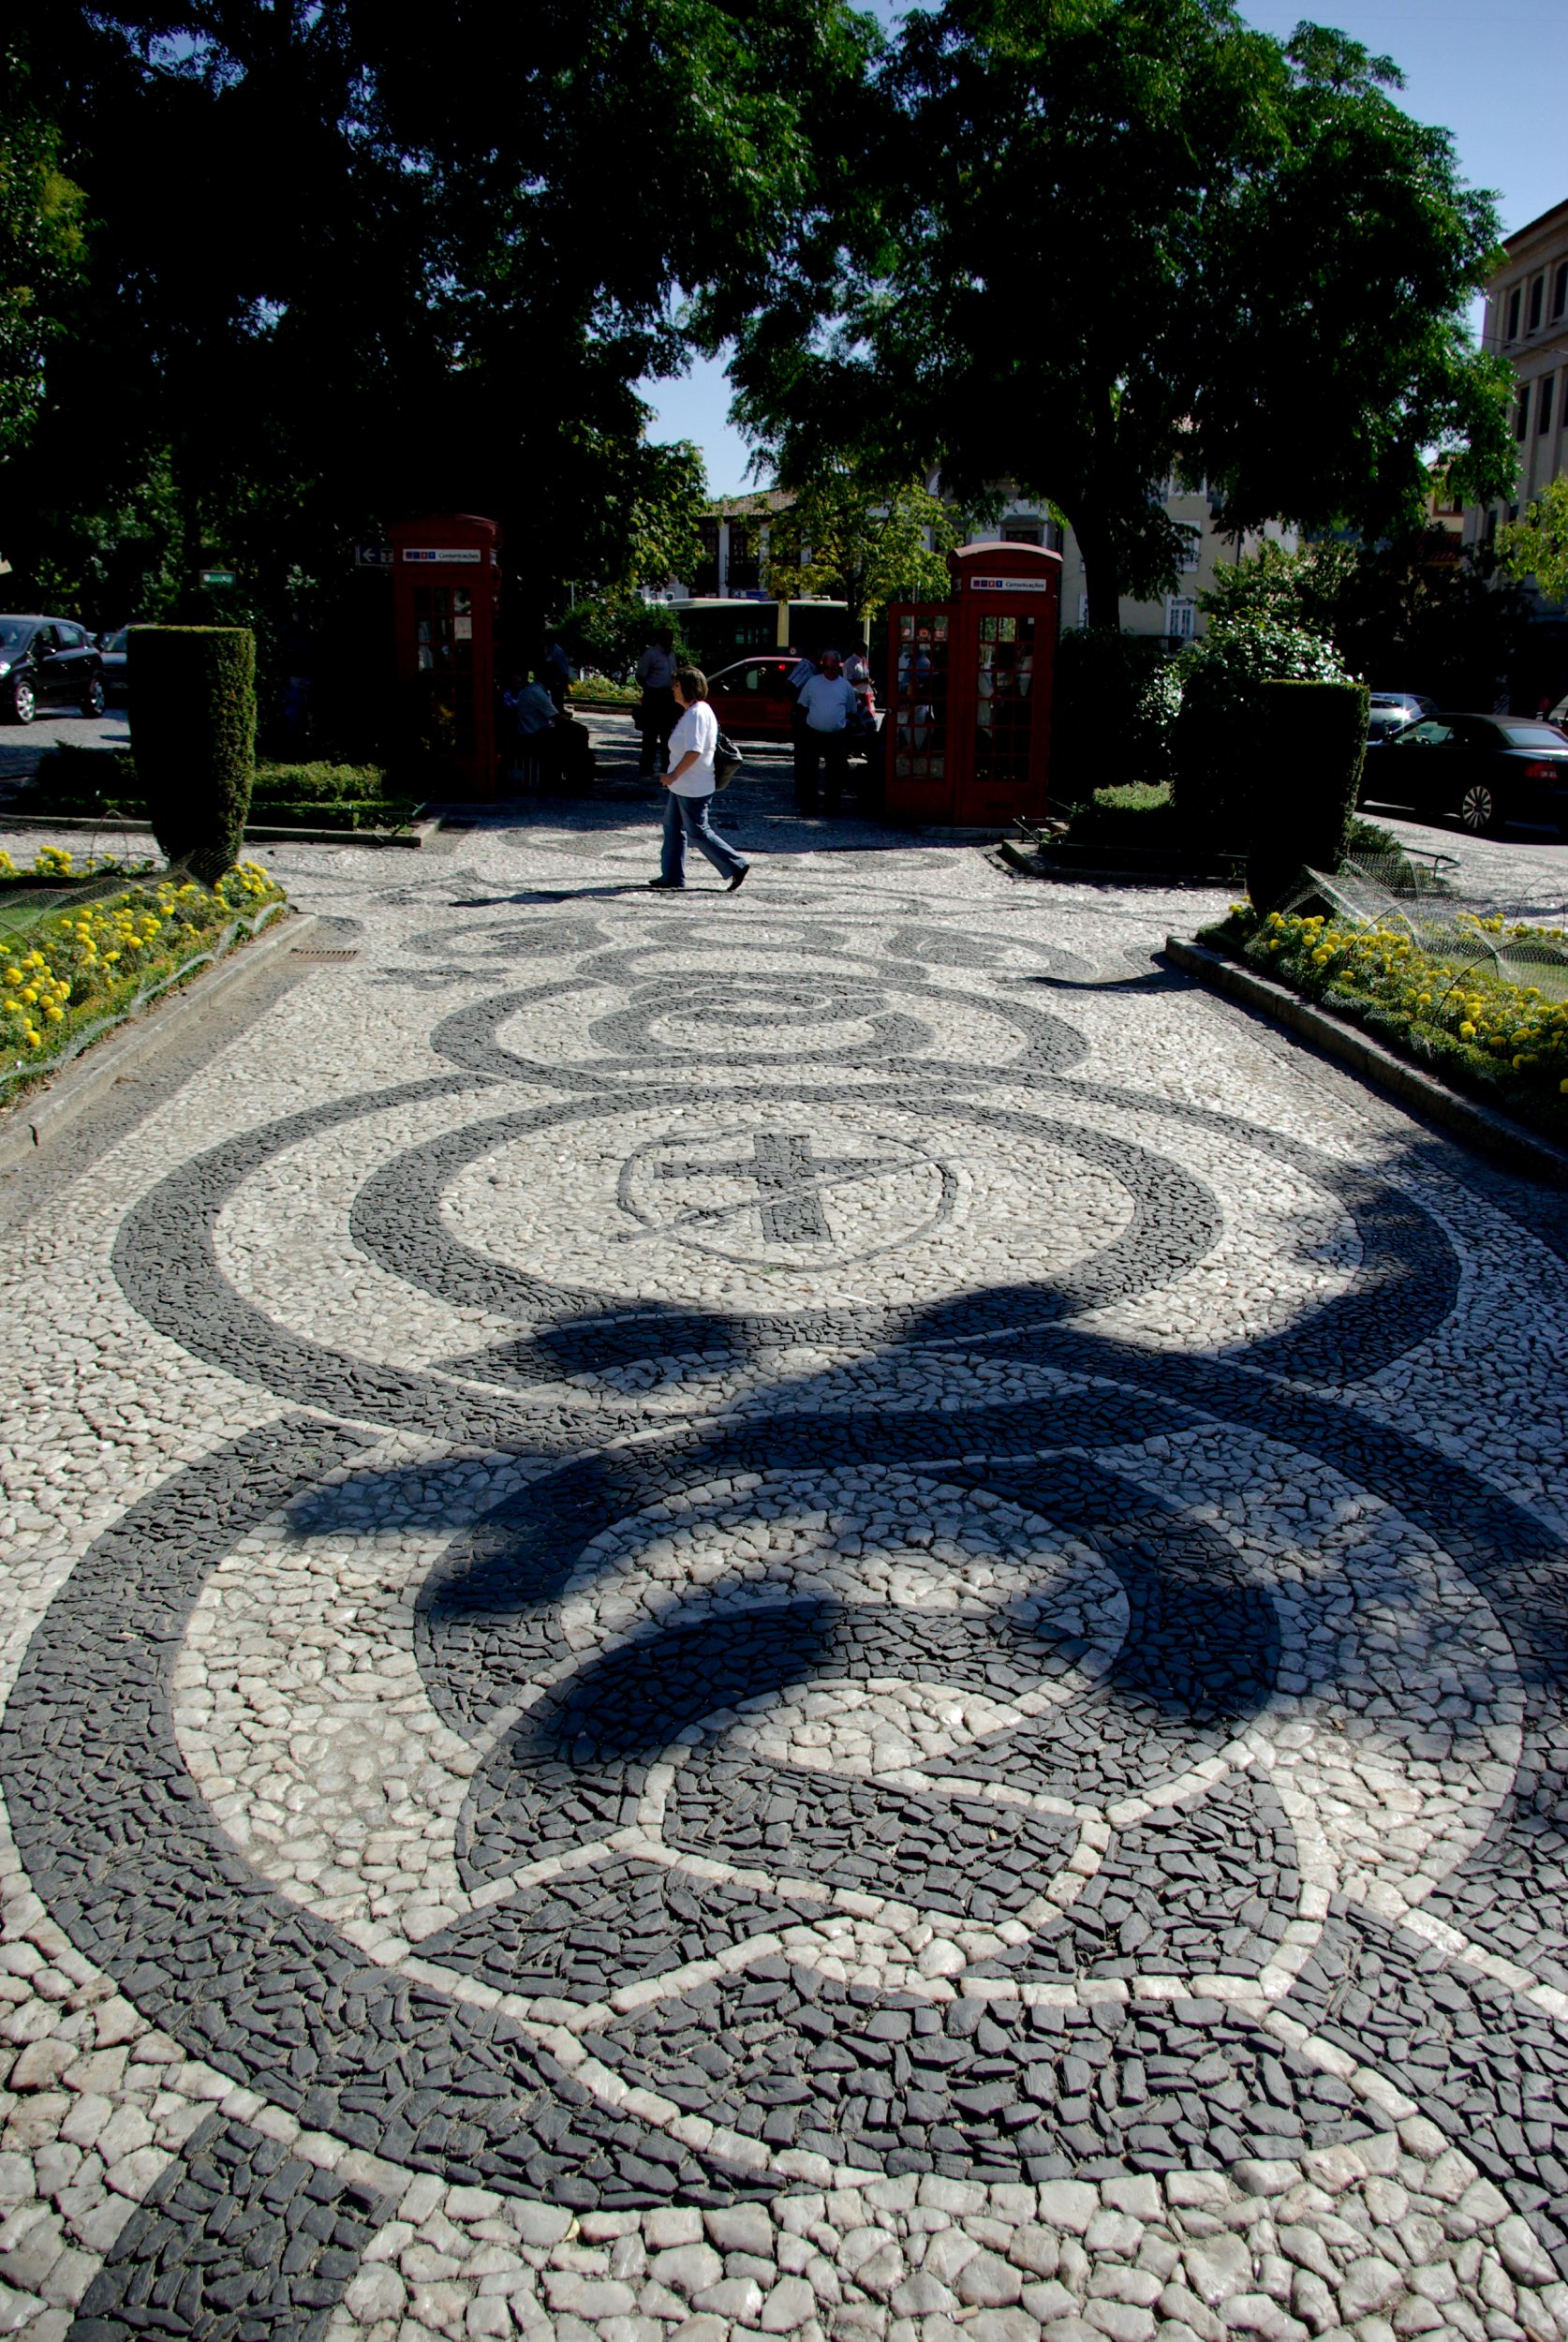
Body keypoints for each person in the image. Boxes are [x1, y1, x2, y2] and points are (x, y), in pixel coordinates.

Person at [649, 667, 749, 893]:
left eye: (676, 685)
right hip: (684, 785)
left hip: (692, 785)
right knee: (673, 828)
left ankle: (736, 865)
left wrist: (673, 775)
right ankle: (672, 875)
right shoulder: (696, 711)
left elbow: (694, 751)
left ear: (687, 687)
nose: (673, 689)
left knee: (698, 831)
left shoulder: (696, 714)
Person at [795, 648, 858, 813]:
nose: (830, 672)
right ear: (822, 666)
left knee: (835, 772)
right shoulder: (812, 683)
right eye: (826, 668)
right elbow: (802, 706)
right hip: (813, 733)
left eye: (833, 668)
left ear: (838, 667)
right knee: (810, 771)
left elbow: (851, 710)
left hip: (837, 735)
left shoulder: (845, 686)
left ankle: (832, 806)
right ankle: (809, 805)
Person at [635, 627, 679, 777]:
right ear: (660, 639)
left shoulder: (672, 655)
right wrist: (649, 689)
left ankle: (667, 765)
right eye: (667, 638)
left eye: (671, 638)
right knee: (651, 734)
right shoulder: (651, 654)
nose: (670, 641)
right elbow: (640, 675)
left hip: (668, 696)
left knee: (668, 734)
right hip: (654, 695)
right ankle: (647, 766)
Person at [785, 645, 818, 803]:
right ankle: (802, 791)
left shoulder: (814, 669)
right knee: (803, 755)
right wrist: (799, 702)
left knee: (807, 755)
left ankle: (805, 789)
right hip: (802, 713)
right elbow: (791, 684)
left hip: (808, 714)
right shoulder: (805, 666)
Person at [540, 633, 574, 712]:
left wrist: (563, 684)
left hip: (557, 684)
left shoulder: (557, 652)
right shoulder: (548, 650)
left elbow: (563, 670)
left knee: (556, 706)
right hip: (550, 684)